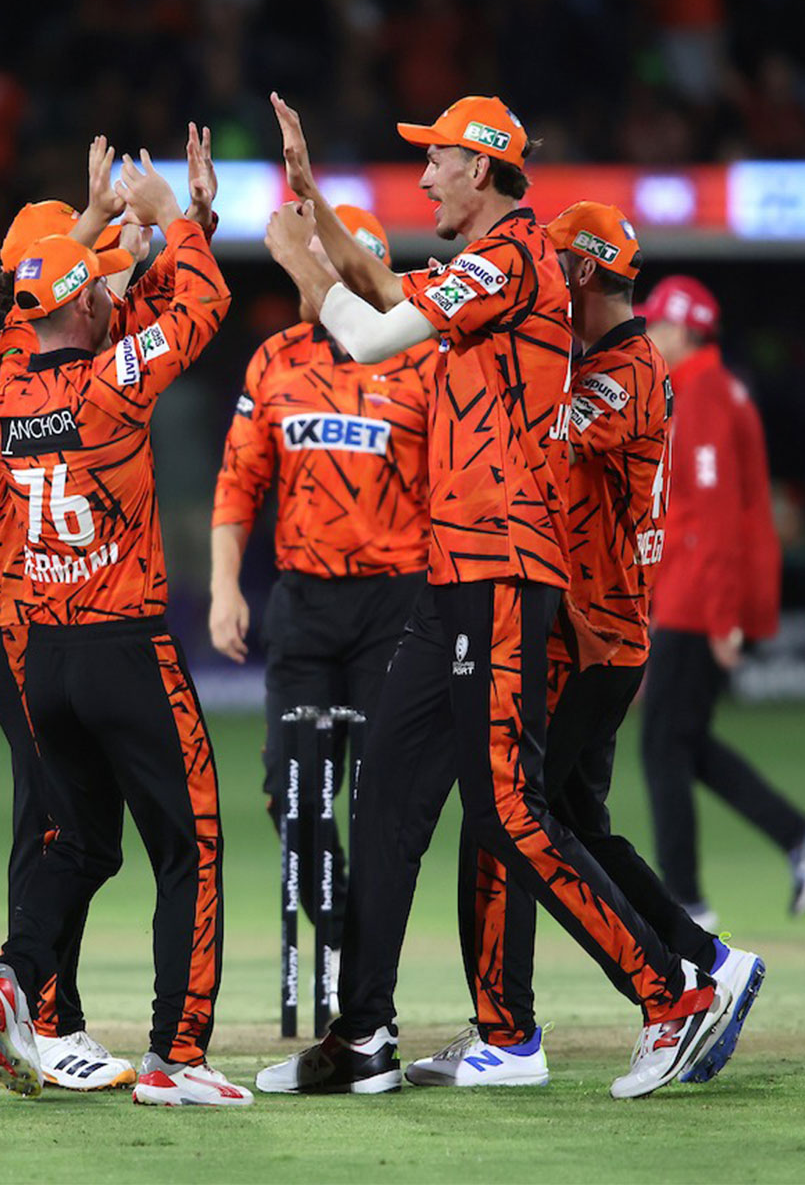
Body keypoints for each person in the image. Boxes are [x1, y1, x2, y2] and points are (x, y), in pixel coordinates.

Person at [254, 94, 730, 1100]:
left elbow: (376, 335)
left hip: (505, 567)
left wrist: (298, 262)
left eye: (434, 162)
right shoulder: (490, 266)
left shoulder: (517, 256)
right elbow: (385, 284)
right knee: (383, 780)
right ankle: (369, 1036)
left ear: (480, 168)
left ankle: (668, 994)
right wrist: (314, 202)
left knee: (510, 806)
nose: (423, 178)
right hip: (454, 567)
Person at [408, 204, 765, 1090]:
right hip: (603, 634)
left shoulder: (622, 375)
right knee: (571, 826)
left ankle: (527, 1028)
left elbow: (541, 438)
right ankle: (706, 962)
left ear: (576, 275)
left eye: (552, 270)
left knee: (505, 819)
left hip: (590, 638)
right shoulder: (622, 363)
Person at [0, 152, 253, 1107]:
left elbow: (32, 310)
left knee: (78, 842)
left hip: (39, 647)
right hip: (124, 642)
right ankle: (179, 1055)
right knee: (192, 843)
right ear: (87, 305)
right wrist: (173, 216)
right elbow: (201, 309)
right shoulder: (112, 383)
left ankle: (14, 975)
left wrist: (98, 232)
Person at [209, 204, 434, 960]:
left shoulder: (420, 362)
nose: (305, 278)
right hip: (304, 609)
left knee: (379, 805)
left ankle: (367, 988)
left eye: (321, 263)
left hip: (395, 611)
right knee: (293, 793)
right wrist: (224, 587)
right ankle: (344, 948)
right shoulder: (274, 360)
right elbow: (239, 480)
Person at [639, 275, 805, 927]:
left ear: (683, 329)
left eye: (656, 324)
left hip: (696, 598)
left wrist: (723, 617)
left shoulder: (700, 394)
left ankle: (687, 903)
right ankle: (797, 834)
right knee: (684, 742)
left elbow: (716, 519)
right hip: (694, 592)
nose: (647, 334)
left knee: (662, 745)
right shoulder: (715, 389)